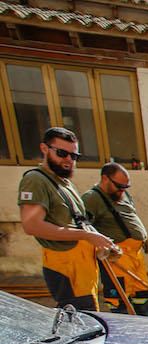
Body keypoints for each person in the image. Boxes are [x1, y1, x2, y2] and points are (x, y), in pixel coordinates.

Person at [17, 127, 118, 311]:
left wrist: (101, 242)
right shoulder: (36, 180)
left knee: (89, 318)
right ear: (44, 149)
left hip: (82, 268)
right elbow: (32, 225)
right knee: (80, 325)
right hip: (66, 268)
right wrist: (87, 237)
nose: (68, 160)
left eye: (74, 156)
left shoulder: (64, 183)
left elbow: (80, 221)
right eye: (62, 153)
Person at [82, 163, 148, 316]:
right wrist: (104, 248)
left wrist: (143, 238)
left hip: (135, 256)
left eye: (125, 187)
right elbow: (83, 227)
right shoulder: (92, 198)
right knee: (120, 298)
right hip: (117, 258)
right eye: (119, 186)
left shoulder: (122, 194)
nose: (122, 190)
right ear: (105, 179)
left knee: (142, 293)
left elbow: (130, 216)